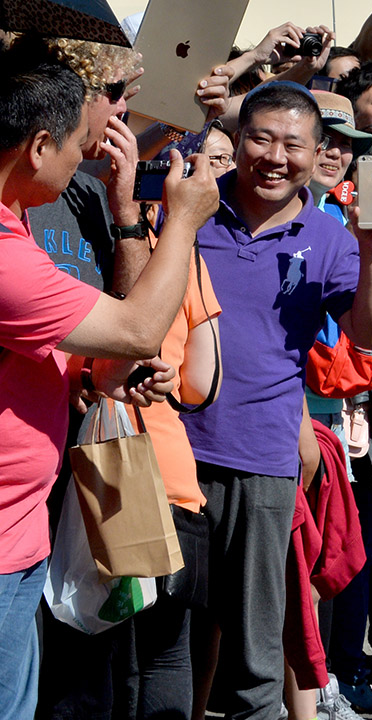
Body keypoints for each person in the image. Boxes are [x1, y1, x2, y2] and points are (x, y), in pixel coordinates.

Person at [181, 81, 372, 720]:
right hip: (171, 454)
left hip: (263, 461)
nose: (275, 156)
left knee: (256, 652)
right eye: (261, 138)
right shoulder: (191, 209)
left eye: (294, 144)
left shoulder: (332, 236)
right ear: (237, 143)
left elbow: (370, 338)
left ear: (318, 156)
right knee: (176, 642)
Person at [0, 55, 218, 720]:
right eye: (74, 146)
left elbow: (90, 352)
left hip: (23, 532)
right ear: (40, 145)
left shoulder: (18, 226)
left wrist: (88, 373)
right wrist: (180, 220)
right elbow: (136, 329)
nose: (81, 161)